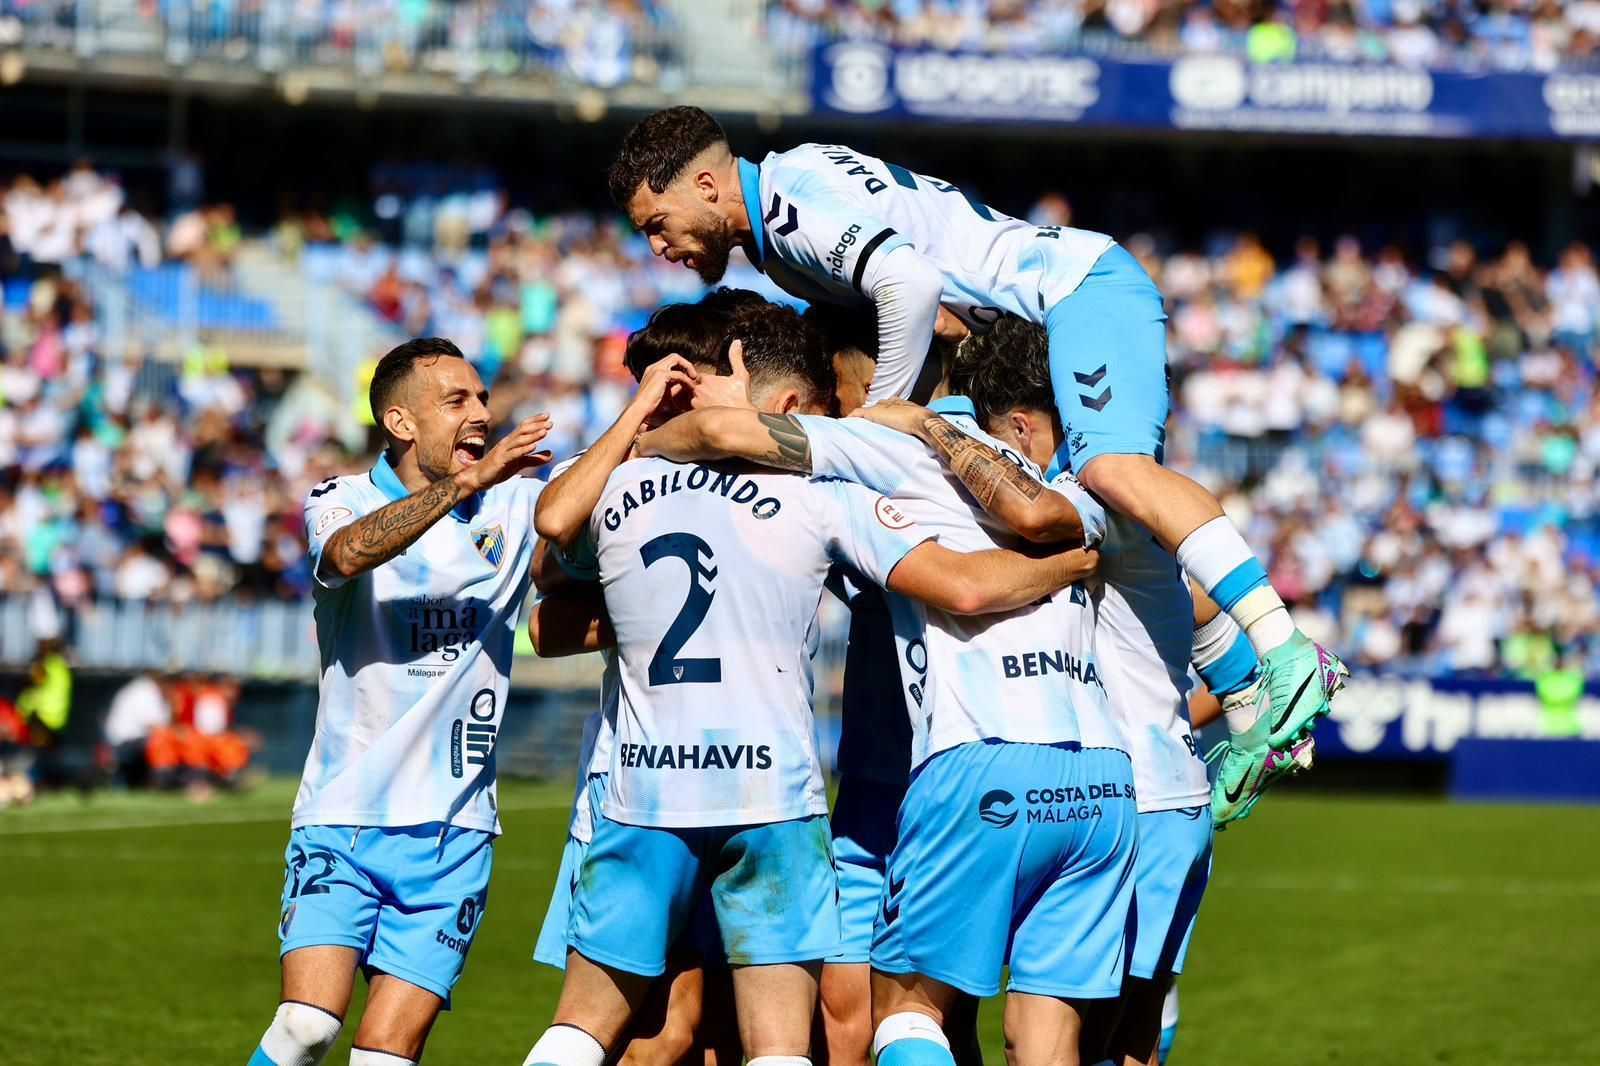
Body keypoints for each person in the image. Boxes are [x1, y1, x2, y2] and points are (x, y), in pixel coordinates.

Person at [608, 105, 1346, 762]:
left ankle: (1285, 648)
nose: (659, 249)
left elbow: (911, 287)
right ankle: (1247, 706)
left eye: (656, 224)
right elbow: (939, 305)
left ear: (705, 188)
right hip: (1044, 323)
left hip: (1076, 292)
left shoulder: (789, 205)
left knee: (1113, 475)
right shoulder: (789, 198)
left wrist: (880, 423)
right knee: (1116, 528)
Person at [522, 301, 1099, 1066]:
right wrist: (1071, 562)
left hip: (641, 794)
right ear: (788, 407)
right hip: (772, 799)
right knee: (775, 1047)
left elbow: (548, 562)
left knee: (593, 1031)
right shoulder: (819, 495)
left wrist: (635, 431)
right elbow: (960, 584)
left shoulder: (621, 484)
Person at [245, 337, 555, 1066]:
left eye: (482, 397)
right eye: (457, 400)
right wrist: (466, 486)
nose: (481, 412)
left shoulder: (514, 501)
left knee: (384, 1054)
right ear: (401, 421)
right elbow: (347, 556)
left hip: (456, 831)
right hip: (344, 815)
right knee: (306, 1028)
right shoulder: (339, 497)